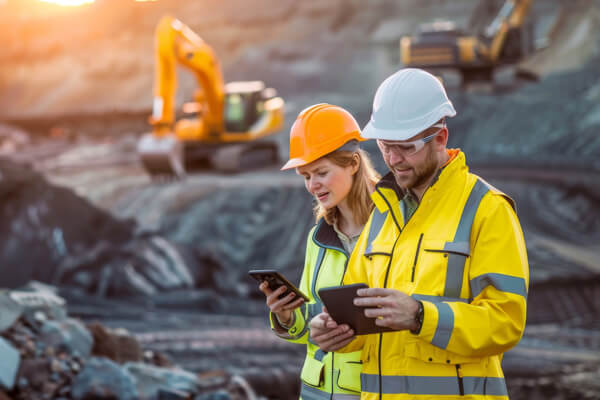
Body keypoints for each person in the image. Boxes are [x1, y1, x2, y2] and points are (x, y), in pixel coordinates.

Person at [309, 69, 529, 400]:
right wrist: (335, 331)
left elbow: (505, 323)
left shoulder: (487, 209)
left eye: (406, 147)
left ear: (441, 137)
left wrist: (420, 315)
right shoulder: (382, 212)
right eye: (385, 146)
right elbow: (362, 318)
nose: (393, 160)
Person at [258, 103, 381, 400]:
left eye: (321, 173)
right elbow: (309, 328)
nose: (313, 185)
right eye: (305, 176)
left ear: (353, 164)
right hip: (315, 392)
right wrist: (288, 316)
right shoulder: (319, 237)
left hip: (366, 391)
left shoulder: (392, 229)